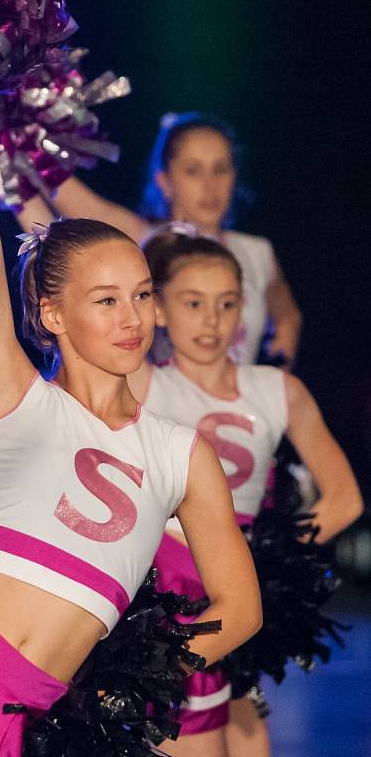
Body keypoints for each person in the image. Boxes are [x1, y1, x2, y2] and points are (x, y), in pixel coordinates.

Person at [0, 91, 262, 757]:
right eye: (105, 299)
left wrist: (137, 679)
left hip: (20, 714)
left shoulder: (181, 454)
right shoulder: (12, 394)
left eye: (141, 296)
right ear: (52, 315)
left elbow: (238, 609)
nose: (130, 317)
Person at [125, 228, 363, 757]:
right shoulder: (142, 385)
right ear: (159, 310)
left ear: (244, 311)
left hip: (238, 589)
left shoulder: (278, 390)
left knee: (250, 742)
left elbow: (344, 498)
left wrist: (269, 565)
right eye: (193, 303)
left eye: (226, 304)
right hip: (168, 589)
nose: (211, 320)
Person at [30, 112, 302, 367]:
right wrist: (21, 137)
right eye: (193, 170)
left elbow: (288, 317)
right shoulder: (145, 241)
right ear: (164, 180)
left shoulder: (257, 251)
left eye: (220, 169)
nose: (210, 185)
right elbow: (59, 188)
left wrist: (278, 368)